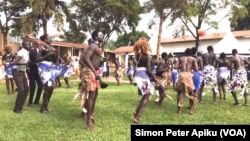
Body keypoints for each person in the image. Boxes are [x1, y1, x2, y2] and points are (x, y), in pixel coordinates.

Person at [79, 30, 105, 131]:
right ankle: (88, 121)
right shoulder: (93, 46)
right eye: (100, 35)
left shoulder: (97, 47)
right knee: (91, 96)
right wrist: (94, 71)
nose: (102, 36)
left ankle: (90, 115)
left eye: (102, 35)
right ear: (95, 36)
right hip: (90, 72)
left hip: (93, 72)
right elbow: (85, 58)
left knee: (94, 95)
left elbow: (94, 59)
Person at [132, 37, 158, 123]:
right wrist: (155, 79)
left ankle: (136, 112)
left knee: (146, 95)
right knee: (147, 96)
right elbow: (149, 71)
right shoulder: (148, 56)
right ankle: (137, 116)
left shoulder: (138, 56)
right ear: (146, 45)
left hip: (138, 75)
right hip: (143, 76)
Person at [37, 34, 59, 113]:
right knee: (47, 88)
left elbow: (55, 61)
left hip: (51, 68)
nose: (51, 38)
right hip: (43, 68)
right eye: (49, 38)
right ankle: (42, 108)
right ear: (45, 40)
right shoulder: (42, 48)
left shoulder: (53, 48)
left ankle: (46, 106)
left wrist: (56, 55)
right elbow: (37, 59)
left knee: (51, 88)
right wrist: (47, 54)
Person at [175, 48, 198, 115]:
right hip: (188, 75)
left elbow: (175, 67)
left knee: (180, 92)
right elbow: (196, 69)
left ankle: (179, 110)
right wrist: (191, 67)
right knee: (191, 92)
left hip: (181, 75)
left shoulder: (181, 58)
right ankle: (191, 110)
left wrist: (181, 66)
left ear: (185, 52)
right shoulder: (193, 59)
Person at [12, 41, 31, 113]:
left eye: (29, 44)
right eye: (27, 44)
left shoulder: (27, 52)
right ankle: (16, 109)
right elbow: (16, 62)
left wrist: (27, 66)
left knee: (26, 90)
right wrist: (25, 63)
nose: (29, 45)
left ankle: (20, 107)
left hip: (22, 72)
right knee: (21, 90)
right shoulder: (21, 52)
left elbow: (26, 63)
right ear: (23, 45)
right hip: (17, 72)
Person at [27, 42, 44, 107]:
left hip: (37, 71)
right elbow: (29, 61)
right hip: (31, 70)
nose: (42, 47)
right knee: (33, 86)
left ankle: (36, 101)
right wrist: (36, 64)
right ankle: (30, 102)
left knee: (40, 85)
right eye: (41, 46)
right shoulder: (33, 51)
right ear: (38, 46)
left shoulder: (40, 52)